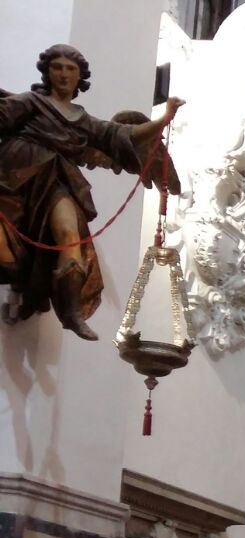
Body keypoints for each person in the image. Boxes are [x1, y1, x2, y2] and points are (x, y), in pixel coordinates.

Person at [0, 44, 183, 340]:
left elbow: (122, 136)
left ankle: (71, 313)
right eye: (57, 67)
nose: (63, 74)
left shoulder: (81, 120)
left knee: (70, 236)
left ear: (79, 77)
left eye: (70, 69)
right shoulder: (30, 102)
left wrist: (163, 120)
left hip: (57, 179)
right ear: (47, 71)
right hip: (15, 177)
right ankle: (28, 284)